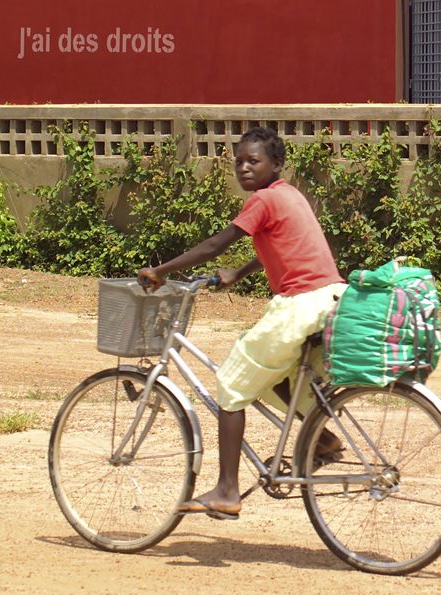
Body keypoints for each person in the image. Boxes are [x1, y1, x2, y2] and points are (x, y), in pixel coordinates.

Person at [138, 125, 345, 519]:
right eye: (238, 161)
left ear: (276, 164)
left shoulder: (263, 201)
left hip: (300, 305)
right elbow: (278, 244)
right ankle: (325, 442)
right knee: (276, 380)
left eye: (254, 161)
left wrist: (161, 270)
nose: (244, 168)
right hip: (329, 299)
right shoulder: (288, 195)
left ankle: (227, 490)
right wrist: (238, 272)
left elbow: (216, 243)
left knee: (232, 381)